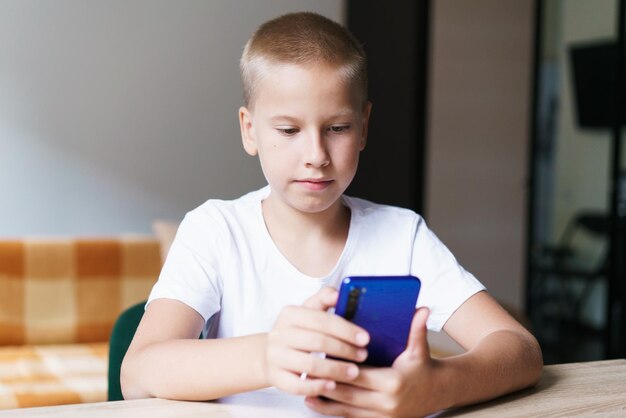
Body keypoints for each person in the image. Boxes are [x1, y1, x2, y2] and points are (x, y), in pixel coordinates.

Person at [121, 11, 543, 417]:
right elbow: (137, 374)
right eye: (288, 131)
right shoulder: (215, 231)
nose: (316, 156)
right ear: (250, 130)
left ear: (364, 126)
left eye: (337, 128)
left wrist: (437, 386)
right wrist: (267, 357)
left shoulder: (402, 235)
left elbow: (520, 349)